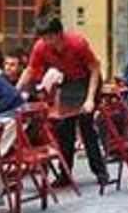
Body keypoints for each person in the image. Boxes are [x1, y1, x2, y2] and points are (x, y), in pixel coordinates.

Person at [15, 16, 110, 187]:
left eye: (49, 37)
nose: (46, 41)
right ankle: (65, 174)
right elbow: (31, 70)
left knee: (86, 126)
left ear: (59, 34)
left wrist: (89, 99)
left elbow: (95, 68)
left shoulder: (77, 43)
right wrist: (15, 92)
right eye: (43, 38)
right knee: (64, 129)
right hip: (68, 83)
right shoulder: (41, 47)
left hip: (87, 80)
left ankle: (100, 171)